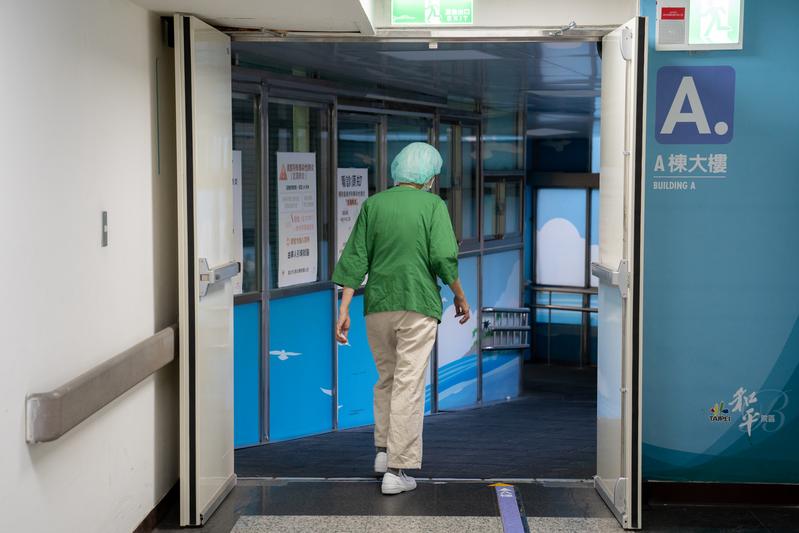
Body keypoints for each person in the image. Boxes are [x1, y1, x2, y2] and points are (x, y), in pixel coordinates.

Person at [332, 142, 471, 495]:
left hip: (377, 306)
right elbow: (443, 256)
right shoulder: (433, 205)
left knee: (387, 379)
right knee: (409, 385)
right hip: (417, 305)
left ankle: (382, 452)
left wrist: (344, 308)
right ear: (428, 176)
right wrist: (458, 294)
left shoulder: (374, 205)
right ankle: (397, 469)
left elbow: (355, 257)